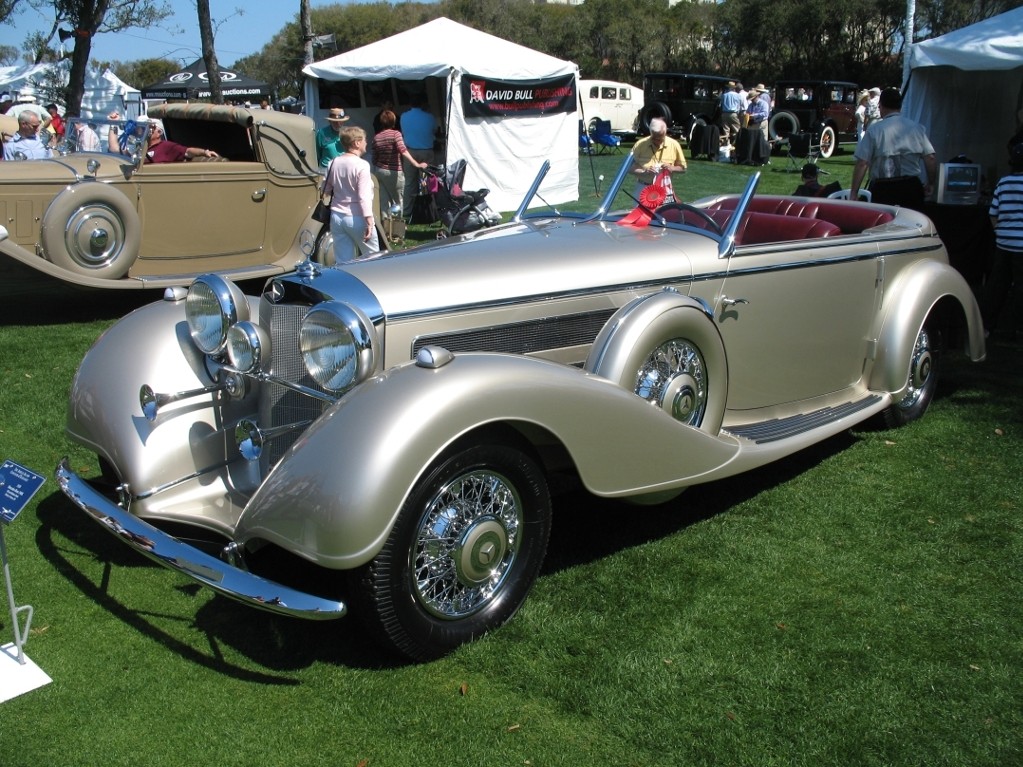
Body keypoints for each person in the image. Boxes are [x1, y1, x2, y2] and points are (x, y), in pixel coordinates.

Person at [849, 87, 936, 210]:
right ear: (900, 106)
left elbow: (862, 163)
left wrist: (854, 192)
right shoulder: (916, 128)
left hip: (884, 188)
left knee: (883, 225)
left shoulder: (874, 131)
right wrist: (931, 183)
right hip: (911, 186)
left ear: (881, 106)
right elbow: (930, 157)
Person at [981, 141, 1023, 338]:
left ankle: (987, 326)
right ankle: (1017, 328)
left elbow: (993, 213)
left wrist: (1000, 231)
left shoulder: (1003, 182)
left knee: (997, 286)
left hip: (1004, 243)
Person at [322, 125, 379, 262]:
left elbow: (326, 189)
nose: (366, 142)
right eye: (364, 139)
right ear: (356, 143)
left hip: (337, 217)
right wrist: (369, 221)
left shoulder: (333, 162)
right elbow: (363, 196)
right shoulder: (362, 165)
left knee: (343, 261)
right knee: (374, 258)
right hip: (357, 217)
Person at [371, 109, 427, 215]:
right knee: (399, 201)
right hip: (394, 171)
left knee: (384, 202)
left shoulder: (376, 138)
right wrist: (417, 164)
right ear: (394, 122)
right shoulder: (396, 134)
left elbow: (374, 159)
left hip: (379, 171)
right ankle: (400, 228)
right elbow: (403, 150)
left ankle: (386, 229)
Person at [106, 112, 219, 162]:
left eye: (149, 128)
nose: (144, 130)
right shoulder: (138, 147)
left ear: (159, 132)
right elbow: (114, 149)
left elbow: (187, 151)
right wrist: (113, 124)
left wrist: (205, 152)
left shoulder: (166, 147)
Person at [400, 95, 438, 217]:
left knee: (410, 183)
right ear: (423, 104)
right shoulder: (430, 117)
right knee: (430, 181)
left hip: (410, 152)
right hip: (426, 151)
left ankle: (407, 211)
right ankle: (433, 208)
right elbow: (435, 130)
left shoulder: (403, 116)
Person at [630, 116, 686, 198]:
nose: (657, 141)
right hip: (643, 187)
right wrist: (644, 171)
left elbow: (683, 168)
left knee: (665, 211)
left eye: (660, 138)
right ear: (651, 133)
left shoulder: (674, 145)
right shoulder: (640, 145)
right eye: (654, 138)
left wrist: (672, 168)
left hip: (665, 188)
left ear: (665, 132)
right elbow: (629, 168)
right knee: (640, 211)